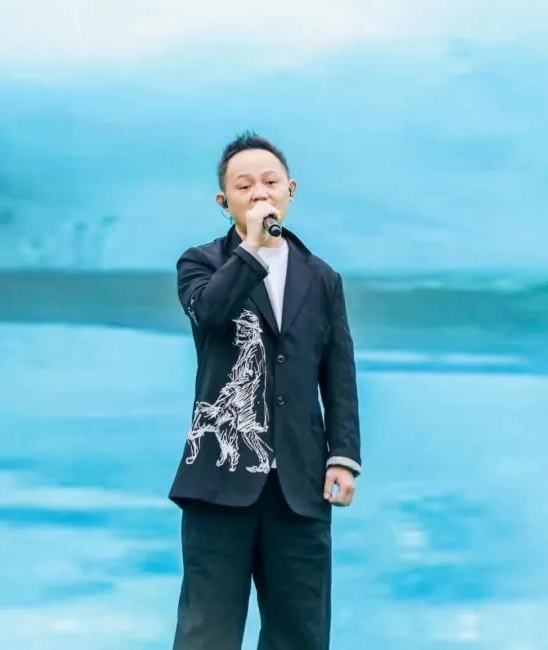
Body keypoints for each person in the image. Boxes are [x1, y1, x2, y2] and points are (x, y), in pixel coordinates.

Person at [169, 131, 362, 650]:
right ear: (224, 201)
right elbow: (211, 314)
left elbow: (338, 371)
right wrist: (252, 248)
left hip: (300, 484)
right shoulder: (200, 264)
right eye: (244, 185)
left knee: (300, 632)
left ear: (290, 190)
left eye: (270, 182)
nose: (260, 193)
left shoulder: (322, 277)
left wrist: (343, 457)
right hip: (219, 478)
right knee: (206, 632)